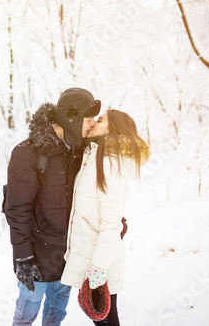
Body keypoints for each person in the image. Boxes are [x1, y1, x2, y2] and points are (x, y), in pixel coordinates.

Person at [3, 88, 101, 326]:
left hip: (69, 256)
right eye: (88, 120)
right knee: (27, 315)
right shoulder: (28, 153)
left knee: (55, 315)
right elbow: (17, 209)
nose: (92, 125)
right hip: (37, 259)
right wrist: (23, 257)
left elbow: (93, 195)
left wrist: (113, 220)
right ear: (72, 118)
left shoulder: (81, 151)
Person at [61, 109, 150, 325]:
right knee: (103, 319)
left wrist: (98, 269)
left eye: (100, 120)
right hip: (91, 255)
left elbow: (111, 224)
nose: (92, 123)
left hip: (100, 261)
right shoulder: (94, 156)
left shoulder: (110, 164)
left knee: (106, 319)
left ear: (114, 130)